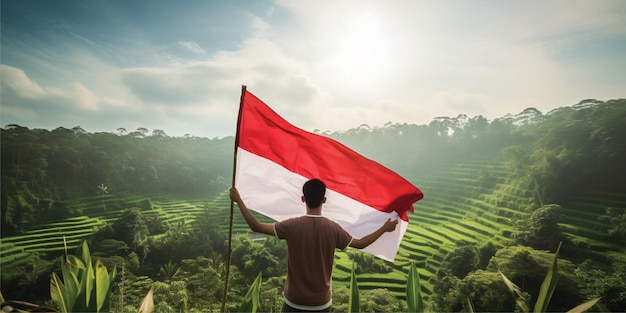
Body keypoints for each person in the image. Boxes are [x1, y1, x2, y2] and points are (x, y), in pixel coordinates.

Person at [229, 178, 398, 312]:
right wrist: (384, 228)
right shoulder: (333, 228)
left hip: (293, 301)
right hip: (321, 304)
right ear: (324, 200)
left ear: (303, 199)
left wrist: (238, 200)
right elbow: (360, 244)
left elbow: (255, 226)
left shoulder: (291, 226)